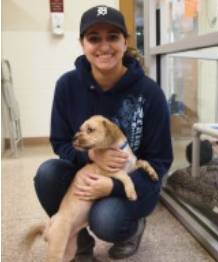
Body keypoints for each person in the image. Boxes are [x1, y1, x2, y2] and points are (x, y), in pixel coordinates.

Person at [34, 5, 173, 262]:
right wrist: (91, 158)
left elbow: (161, 161)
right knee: (47, 174)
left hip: (133, 181)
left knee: (107, 219)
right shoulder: (67, 86)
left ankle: (132, 228)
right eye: (94, 38)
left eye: (112, 36)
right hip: (90, 171)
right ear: (82, 43)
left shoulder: (150, 93)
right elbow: (60, 142)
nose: (104, 46)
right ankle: (79, 240)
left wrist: (113, 186)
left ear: (125, 41)